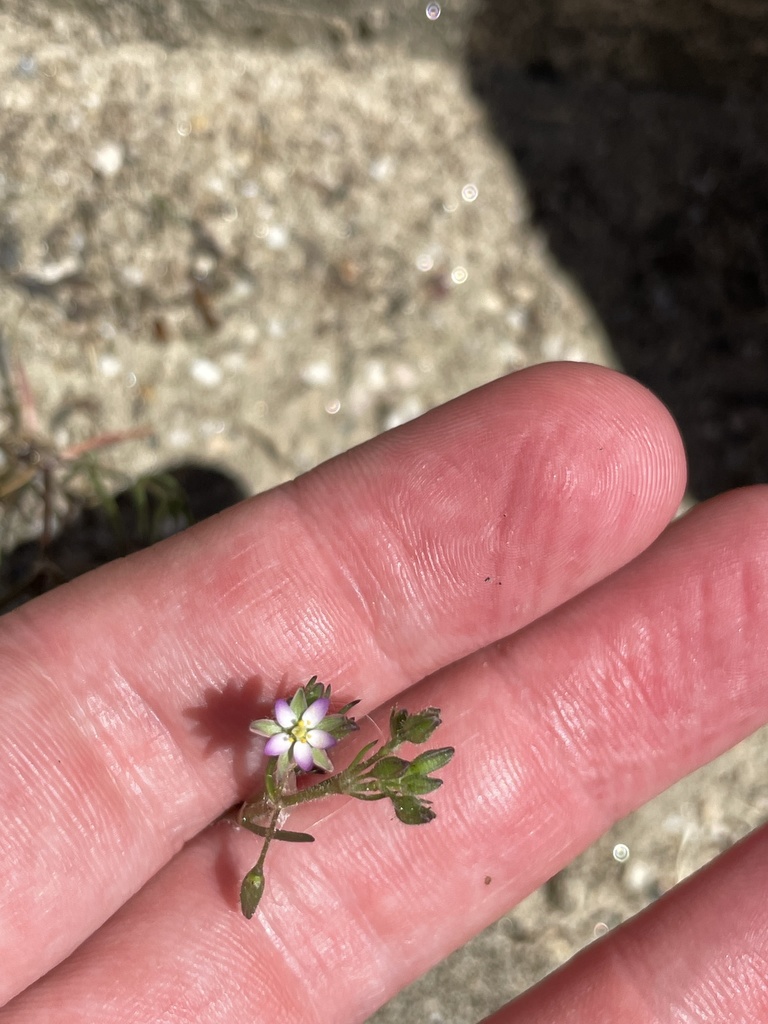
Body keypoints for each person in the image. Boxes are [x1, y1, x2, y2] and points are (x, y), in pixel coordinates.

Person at [2, 361, 766, 1022]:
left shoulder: (307, 750)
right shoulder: (294, 746)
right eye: (296, 732)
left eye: (299, 734)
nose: (297, 736)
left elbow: (310, 754)